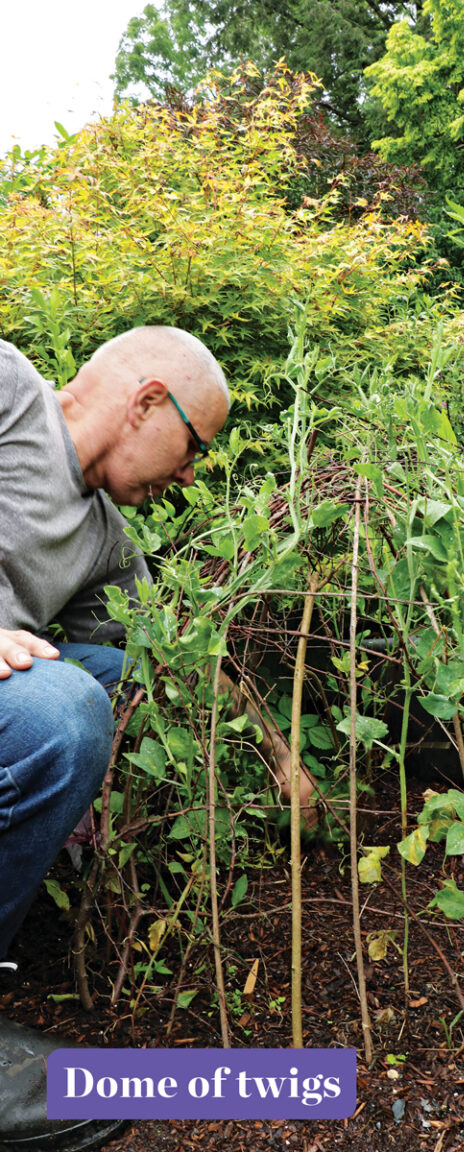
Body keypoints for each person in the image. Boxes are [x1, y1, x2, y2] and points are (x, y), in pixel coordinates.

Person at [0, 326, 230, 1151]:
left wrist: (280, 759)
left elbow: (173, 665)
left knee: (120, 675)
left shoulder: (103, 537)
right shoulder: (8, 387)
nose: (190, 473)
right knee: (61, 708)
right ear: (146, 403)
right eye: (195, 446)